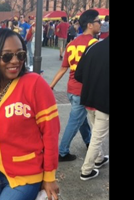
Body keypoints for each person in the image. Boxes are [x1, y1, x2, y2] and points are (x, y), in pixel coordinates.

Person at [0, 28, 60, 200]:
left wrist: (49, 177)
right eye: (7, 56)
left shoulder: (34, 84)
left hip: (26, 175)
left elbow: (50, 133)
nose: (15, 61)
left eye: (20, 55)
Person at [49, 9, 101, 162]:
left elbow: (63, 68)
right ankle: (62, 152)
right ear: (90, 25)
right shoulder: (94, 44)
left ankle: (88, 141)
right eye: (98, 22)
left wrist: (51, 86)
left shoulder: (71, 44)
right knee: (75, 120)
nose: (101, 24)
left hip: (71, 89)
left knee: (80, 119)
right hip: (83, 90)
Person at [75, 36, 109, 181]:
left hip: (88, 97)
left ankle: (99, 158)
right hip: (104, 101)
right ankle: (86, 170)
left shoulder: (93, 47)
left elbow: (78, 74)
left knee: (96, 131)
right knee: (97, 137)